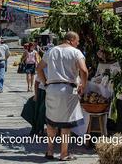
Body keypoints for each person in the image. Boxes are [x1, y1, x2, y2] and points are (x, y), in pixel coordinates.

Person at [36, 31, 88, 161]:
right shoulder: (76, 52)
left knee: (51, 122)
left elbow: (39, 68)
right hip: (68, 90)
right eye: (78, 41)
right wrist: (83, 85)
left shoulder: (51, 51)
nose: (78, 43)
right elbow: (84, 70)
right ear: (71, 40)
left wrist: (45, 83)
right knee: (66, 124)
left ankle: (49, 151)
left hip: (52, 88)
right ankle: (64, 154)